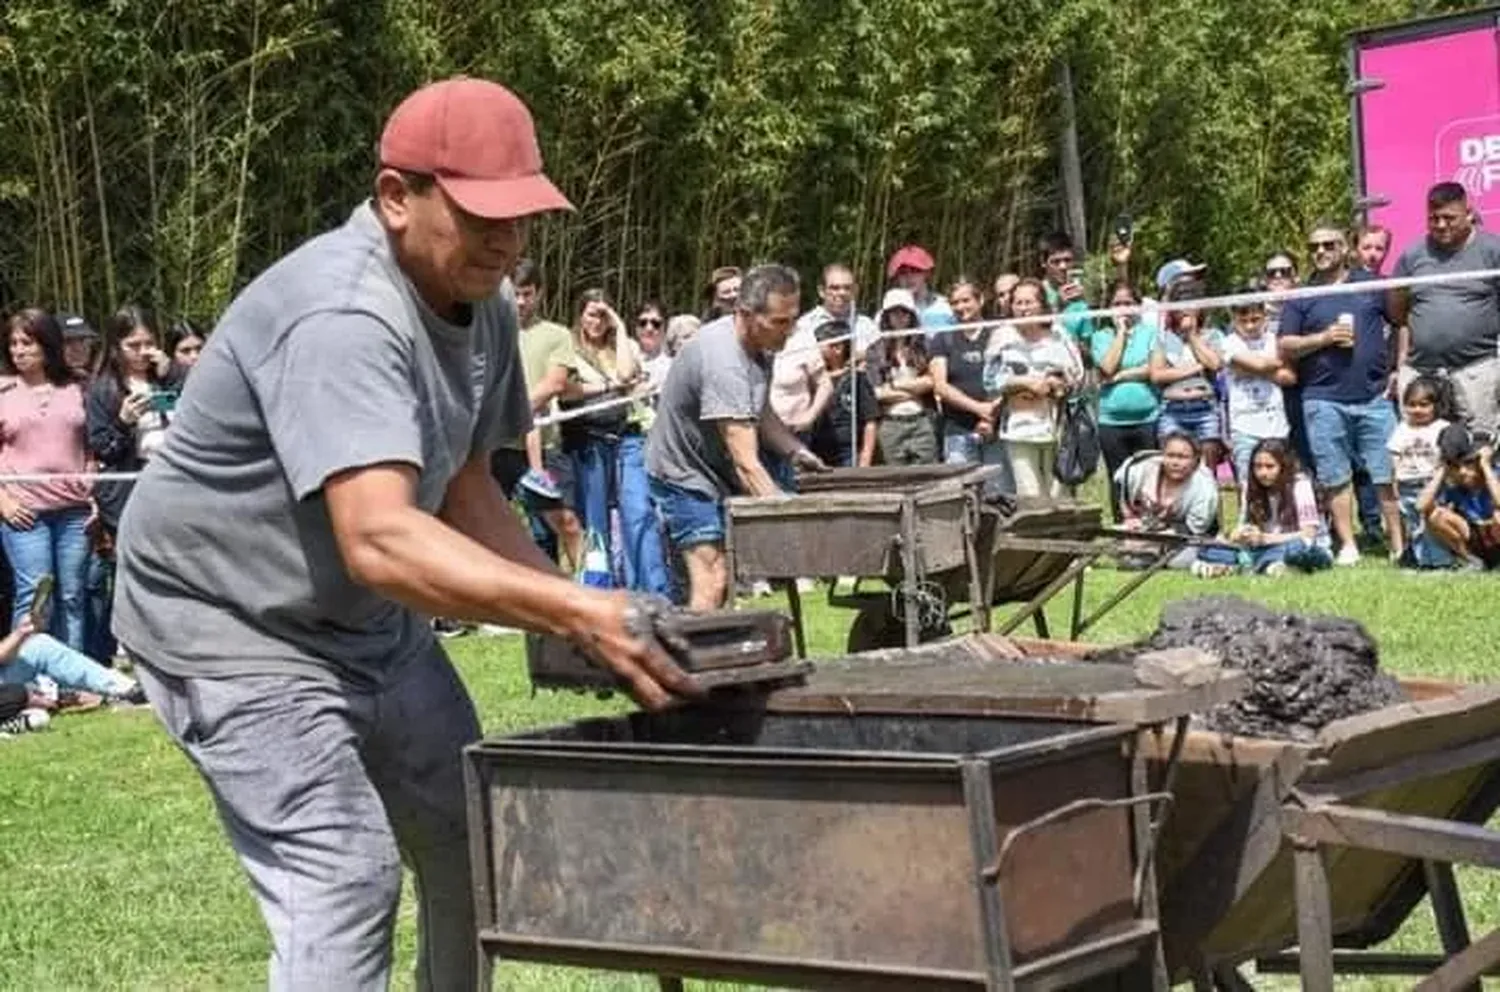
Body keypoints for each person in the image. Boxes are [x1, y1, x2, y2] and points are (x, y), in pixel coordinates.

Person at [112, 78, 699, 992]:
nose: (505, 240)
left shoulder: (486, 307)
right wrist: (577, 611)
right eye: (479, 215)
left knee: (473, 832)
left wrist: (574, 606)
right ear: (397, 197)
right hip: (228, 627)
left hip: (363, 624)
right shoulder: (342, 315)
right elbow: (380, 538)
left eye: (520, 217)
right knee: (344, 874)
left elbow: (465, 488)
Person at [646, 264, 826, 609]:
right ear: (745, 314)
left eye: (793, 319)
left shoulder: (763, 346)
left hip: (713, 469)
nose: (790, 331)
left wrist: (795, 451)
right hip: (682, 474)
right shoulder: (724, 360)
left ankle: (712, 653)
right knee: (712, 579)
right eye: (780, 321)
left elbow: (760, 412)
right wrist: (786, 517)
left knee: (724, 579)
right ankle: (694, 660)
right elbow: (746, 463)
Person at [1278, 221, 1401, 565]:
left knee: (1385, 474)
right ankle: (1348, 545)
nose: (1320, 252)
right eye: (1314, 247)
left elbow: (1401, 323)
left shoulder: (1373, 285)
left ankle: (1398, 544)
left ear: (1345, 249)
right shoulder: (1301, 295)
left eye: (1328, 245)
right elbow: (1285, 344)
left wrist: (1397, 368)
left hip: (1374, 396)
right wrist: (1323, 338)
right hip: (1321, 398)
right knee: (1334, 476)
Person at [85, 304, 183, 664]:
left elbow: (201, 407)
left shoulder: (168, 376)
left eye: (148, 343)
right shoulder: (103, 389)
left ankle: (176, 642)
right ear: (116, 347)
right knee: (133, 566)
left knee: (176, 565)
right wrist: (125, 420)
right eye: (133, 345)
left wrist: (171, 371)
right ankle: (132, 645)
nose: (143, 352)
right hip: (128, 487)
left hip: (174, 482)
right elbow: (103, 448)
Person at [558, 289, 670, 596]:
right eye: (592, 314)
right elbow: (567, 390)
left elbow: (625, 372)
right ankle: (600, 593)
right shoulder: (567, 346)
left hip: (626, 438)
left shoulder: (622, 344)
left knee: (640, 514)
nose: (598, 321)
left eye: (603, 315)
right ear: (580, 314)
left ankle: (653, 592)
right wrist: (608, 386)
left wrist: (619, 326)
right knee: (596, 525)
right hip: (587, 442)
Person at [0, 309, 94, 652]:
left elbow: (91, 445)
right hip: (24, 511)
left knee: (72, 594)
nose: (18, 350)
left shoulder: (77, 387)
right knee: (35, 596)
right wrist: (4, 502)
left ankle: (74, 679)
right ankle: (27, 681)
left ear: (47, 344)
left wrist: (94, 492)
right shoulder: (3, 391)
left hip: (74, 510)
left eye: (27, 342)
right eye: (13, 344)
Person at [491, 258, 585, 569]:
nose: (520, 301)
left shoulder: (556, 334)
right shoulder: (486, 329)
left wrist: (509, 414)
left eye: (527, 293)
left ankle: (586, 589)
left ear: (540, 294)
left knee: (565, 523)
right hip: (495, 448)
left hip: (543, 447)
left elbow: (555, 382)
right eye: (515, 293)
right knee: (487, 531)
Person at [1390, 182, 1500, 433]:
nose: (1440, 225)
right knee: (1419, 454)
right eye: (1433, 218)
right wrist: (1402, 363)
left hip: (1477, 370)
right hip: (1421, 372)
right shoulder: (1412, 255)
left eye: (1449, 218)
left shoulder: (1494, 251)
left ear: (1469, 213)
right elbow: (1398, 313)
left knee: (1479, 450)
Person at [984, 278, 1084, 497]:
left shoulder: (1059, 334)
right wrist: (1023, 382)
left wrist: (1055, 384)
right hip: (1019, 429)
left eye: (1029, 302)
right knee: (1030, 496)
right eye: (1018, 303)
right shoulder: (1001, 336)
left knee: (1059, 495)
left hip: (1056, 429)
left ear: (1042, 305)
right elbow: (990, 381)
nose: (1023, 308)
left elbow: (1077, 375)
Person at [1197, 438, 1332, 576]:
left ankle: (1250, 565)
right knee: (1210, 549)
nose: (1263, 473)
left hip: (1302, 546)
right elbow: (1245, 525)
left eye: (1270, 466)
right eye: (1258, 466)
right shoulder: (1250, 487)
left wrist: (1265, 538)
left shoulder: (1300, 485)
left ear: (1284, 466)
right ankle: (1268, 566)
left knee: (1298, 549)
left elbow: (1308, 534)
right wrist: (1242, 534)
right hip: (1265, 548)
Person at [930, 277, 1008, 492]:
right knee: (959, 495)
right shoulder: (943, 339)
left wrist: (992, 415)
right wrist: (980, 409)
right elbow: (940, 386)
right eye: (955, 303)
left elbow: (1008, 376)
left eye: (966, 300)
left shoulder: (998, 333)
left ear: (980, 300)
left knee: (999, 494)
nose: (961, 307)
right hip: (957, 431)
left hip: (997, 430)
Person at [1092, 281, 1160, 521]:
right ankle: (1124, 529)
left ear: (1138, 306)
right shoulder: (1100, 337)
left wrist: (1121, 375)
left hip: (1148, 418)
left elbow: (1153, 369)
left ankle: (1150, 527)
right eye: (1117, 304)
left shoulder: (1150, 333)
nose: (1122, 308)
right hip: (1111, 421)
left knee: (1148, 477)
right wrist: (1120, 333)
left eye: (1128, 303)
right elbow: (1107, 367)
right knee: (1119, 477)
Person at [1148, 274, 1225, 472]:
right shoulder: (1163, 339)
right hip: (1172, 410)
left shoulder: (1212, 335)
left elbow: (1215, 363)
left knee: (1207, 473)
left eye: (1190, 304)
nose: (1185, 310)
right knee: (1173, 471)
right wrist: (1196, 368)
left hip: (1205, 409)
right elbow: (1157, 375)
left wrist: (1191, 335)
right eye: (1180, 304)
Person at [1222, 287, 1295, 484]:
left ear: (1265, 316)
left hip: (1277, 426)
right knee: (1248, 485)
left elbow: (1289, 377)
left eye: (1255, 319)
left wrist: (1248, 368)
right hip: (1244, 427)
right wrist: (1271, 365)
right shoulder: (1229, 342)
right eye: (1243, 321)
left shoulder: (1275, 340)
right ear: (1234, 319)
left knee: (1281, 483)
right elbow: (1261, 364)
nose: (1250, 326)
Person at [1115, 433, 1219, 570]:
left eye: (1183, 457)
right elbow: (1120, 484)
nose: (1175, 462)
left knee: (1179, 562)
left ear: (1196, 460)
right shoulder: (1138, 468)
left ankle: (1147, 555)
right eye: (1170, 455)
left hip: (1185, 536)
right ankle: (1141, 554)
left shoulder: (1205, 487)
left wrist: (1153, 538)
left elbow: (1193, 529)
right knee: (1113, 537)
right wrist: (1130, 518)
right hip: (1144, 528)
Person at [1414, 422, 1500, 570]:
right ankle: (1472, 560)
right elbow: (1420, 506)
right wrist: (1443, 470)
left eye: (1468, 463)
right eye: (1456, 466)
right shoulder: (1455, 486)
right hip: (1476, 536)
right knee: (1436, 515)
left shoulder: (1493, 474)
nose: (1462, 471)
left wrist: (1485, 465)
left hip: (1494, 532)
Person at [1389, 375, 1453, 567]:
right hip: (1407, 484)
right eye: (1411, 404)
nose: (1417, 410)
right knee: (1415, 525)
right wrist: (1394, 482)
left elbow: (1447, 458)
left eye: (1424, 405)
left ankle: (1441, 561)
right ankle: (1422, 560)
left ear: (1435, 405)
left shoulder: (1442, 428)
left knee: (1432, 523)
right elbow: (1394, 456)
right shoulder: (1402, 428)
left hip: (1432, 484)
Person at [871, 289, 937, 466]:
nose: (899, 317)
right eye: (894, 312)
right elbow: (877, 393)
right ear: (886, 316)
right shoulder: (875, 350)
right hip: (890, 424)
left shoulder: (924, 346)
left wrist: (896, 384)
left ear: (911, 316)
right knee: (894, 480)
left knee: (928, 477)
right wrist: (914, 391)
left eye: (904, 312)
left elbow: (932, 382)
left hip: (922, 421)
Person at [808, 319, 879, 468]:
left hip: (848, 451)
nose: (813, 349)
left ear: (837, 348)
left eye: (819, 344)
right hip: (817, 449)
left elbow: (870, 421)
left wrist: (865, 458)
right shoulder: (813, 379)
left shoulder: (857, 379)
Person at [797, 263, 879, 361]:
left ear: (855, 291)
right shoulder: (805, 325)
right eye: (835, 288)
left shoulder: (867, 326)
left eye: (847, 288)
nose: (842, 293)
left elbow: (881, 358)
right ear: (821, 291)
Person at [886, 245, 954, 330]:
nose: (909, 277)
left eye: (915, 271)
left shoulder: (946, 308)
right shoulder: (886, 315)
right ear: (896, 278)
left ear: (927, 274)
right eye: (903, 273)